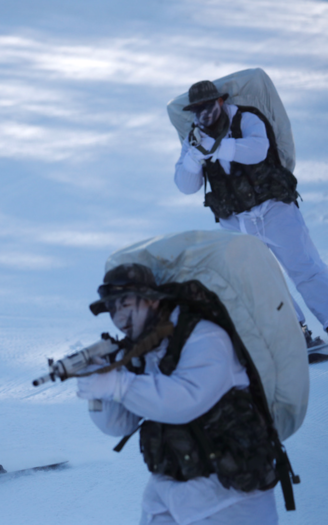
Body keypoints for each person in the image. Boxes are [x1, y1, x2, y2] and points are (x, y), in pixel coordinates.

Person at [78, 263, 281, 525]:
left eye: (125, 304)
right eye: (112, 308)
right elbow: (119, 425)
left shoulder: (205, 337)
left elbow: (185, 401)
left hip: (230, 497)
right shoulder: (138, 351)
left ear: (151, 302)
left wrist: (119, 384)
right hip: (168, 494)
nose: (118, 318)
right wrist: (98, 388)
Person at [173, 80, 328, 354]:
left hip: (274, 210)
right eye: (197, 110)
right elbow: (186, 185)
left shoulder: (246, 118)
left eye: (208, 106)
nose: (204, 114)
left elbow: (258, 150)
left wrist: (216, 148)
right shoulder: (194, 139)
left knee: (305, 268)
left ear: (220, 101)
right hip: (237, 221)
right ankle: (297, 336)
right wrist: (194, 157)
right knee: (264, 281)